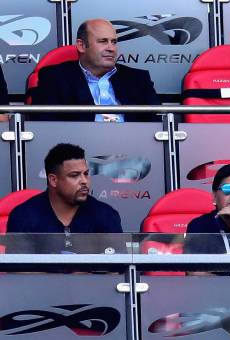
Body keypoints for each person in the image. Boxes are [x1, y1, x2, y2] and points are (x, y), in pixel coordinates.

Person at [31, 18, 160, 122]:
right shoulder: (55, 77)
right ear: (81, 45)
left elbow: (158, 125)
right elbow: (45, 126)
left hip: (134, 147)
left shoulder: (137, 79)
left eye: (114, 42)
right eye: (103, 41)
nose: (111, 48)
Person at [6, 143, 123, 253]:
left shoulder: (106, 214)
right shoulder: (23, 215)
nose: (84, 181)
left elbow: (118, 268)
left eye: (86, 174)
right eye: (74, 175)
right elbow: (19, 270)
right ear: (53, 180)